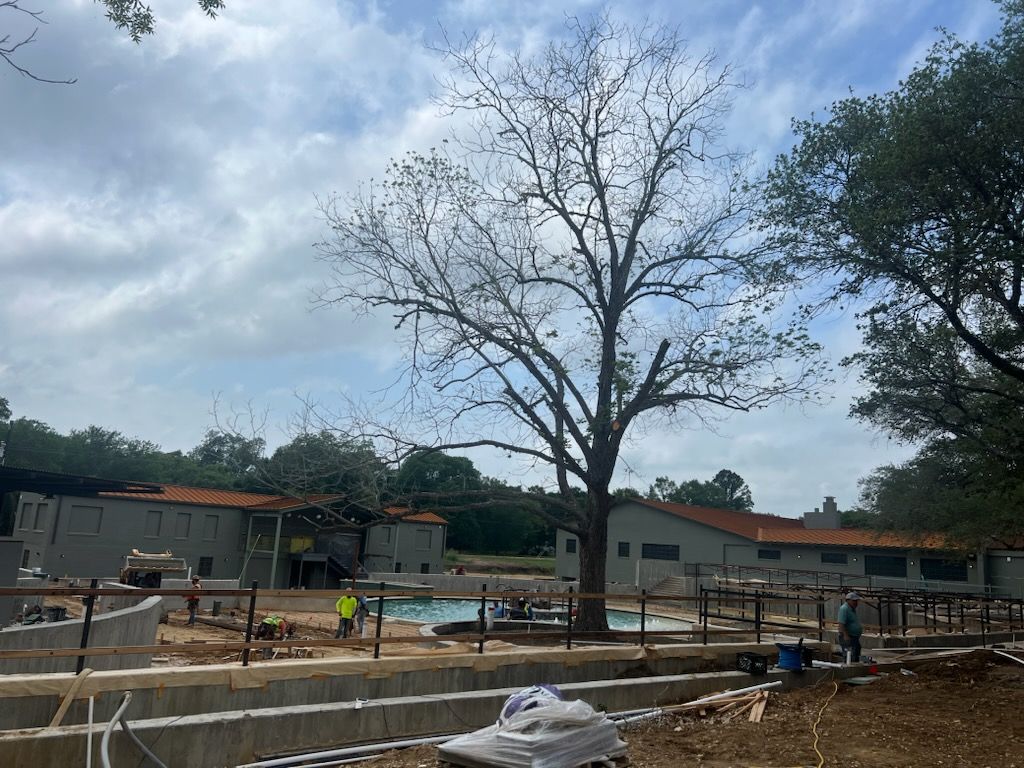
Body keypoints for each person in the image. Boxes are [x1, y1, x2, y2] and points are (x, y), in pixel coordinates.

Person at [837, 591, 863, 663]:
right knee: (849, 654)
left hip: (854, 637)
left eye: (856, 601)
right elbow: (841, 624)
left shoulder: (852, 609)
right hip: (848, 637)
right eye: (854, 601)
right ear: (848, 600)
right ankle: (848, 668)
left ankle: (855, 667)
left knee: (856, 652)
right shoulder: (844, 609)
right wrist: (845, 635)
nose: (856, 603)